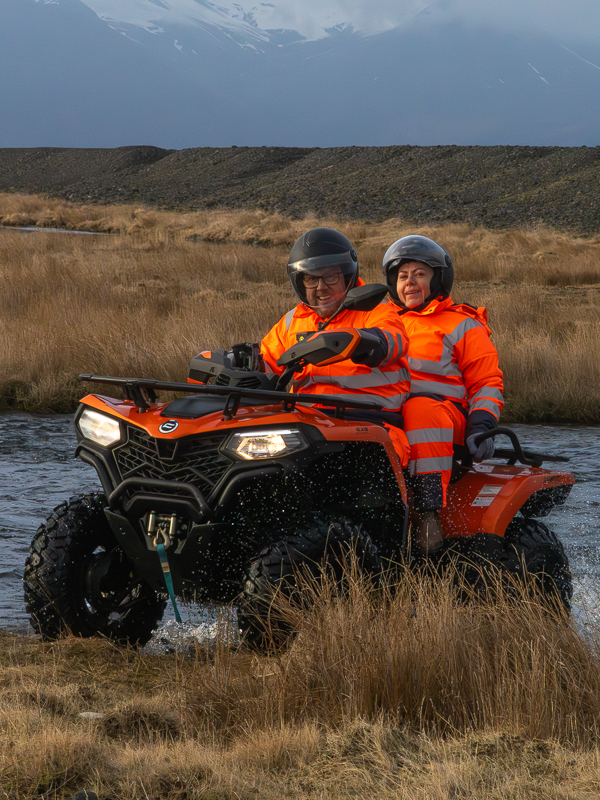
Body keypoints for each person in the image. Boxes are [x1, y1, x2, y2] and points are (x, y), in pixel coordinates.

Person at [381, 234, 504, 559]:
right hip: (391, 419)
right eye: (403, 276)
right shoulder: (382, 324)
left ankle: (428, 515)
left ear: (437, 279)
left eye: (419, 274)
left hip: (447, 422)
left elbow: (487, 382)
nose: (409, 282)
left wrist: (482, 425)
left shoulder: (463, 325)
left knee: (420, 408)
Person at [260, 227, 411, 422]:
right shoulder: (292, 322)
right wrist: (236, 363)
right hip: (309, 422)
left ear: (348, 277)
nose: (321, 286)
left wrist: (364, 342)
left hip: (371, 420)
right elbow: (266, 365)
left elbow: (393, 339)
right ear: (300, 283)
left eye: (330, 276)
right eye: (311, 278)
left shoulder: (374, 309)